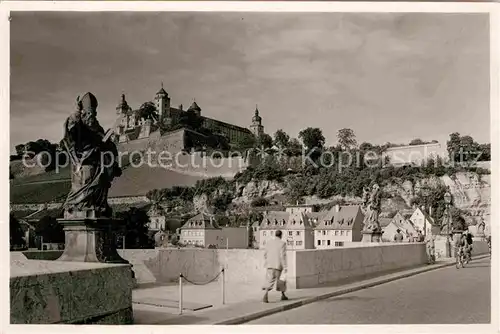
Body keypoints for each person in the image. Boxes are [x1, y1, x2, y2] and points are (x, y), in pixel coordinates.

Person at [262, 229, 288, 303]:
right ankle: (283, 295)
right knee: (281, 280)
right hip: (278, 265)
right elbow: (282, 256)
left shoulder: (269, 243)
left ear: (275, 235)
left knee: (269, 280)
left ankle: (265, 295)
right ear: (281, 235)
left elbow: (265, 254)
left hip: (269, 265)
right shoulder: (282, 243)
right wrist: (285, 266)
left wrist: (267, 261)